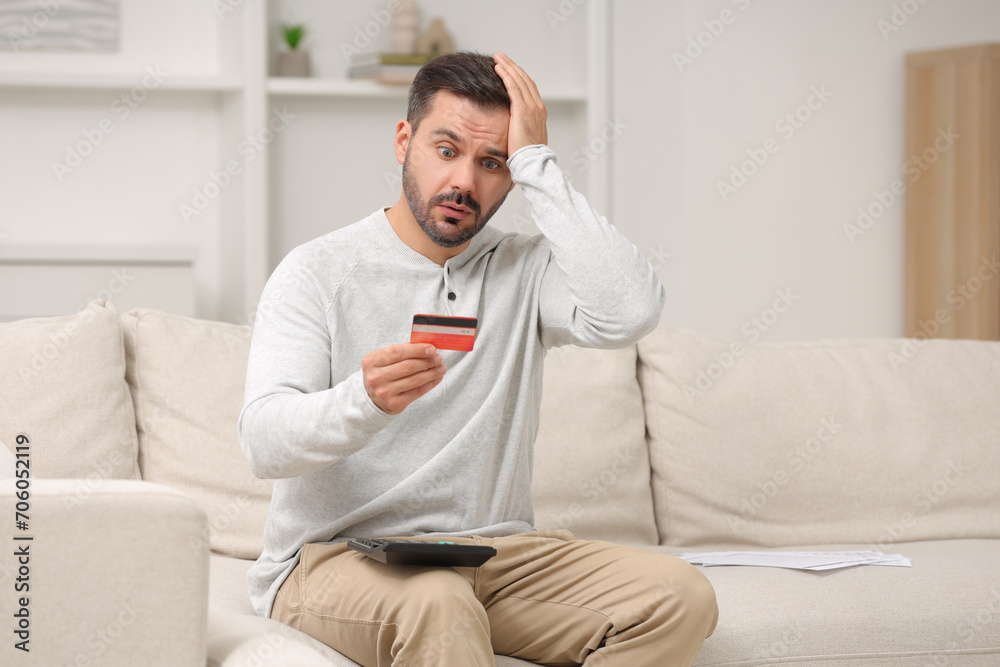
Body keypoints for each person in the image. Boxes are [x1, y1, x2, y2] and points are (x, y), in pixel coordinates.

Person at [238, 51, 717, 667]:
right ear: (404, 140)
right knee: (438, 600)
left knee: (678, 595)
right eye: (446, 151)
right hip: (336, 559)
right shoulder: (318, 271)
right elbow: (263, 443)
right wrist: (362, 401)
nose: (464, 181)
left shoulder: (523, 269)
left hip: (492, 557)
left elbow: (629, 311)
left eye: (492, 163)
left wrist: (537, 162)